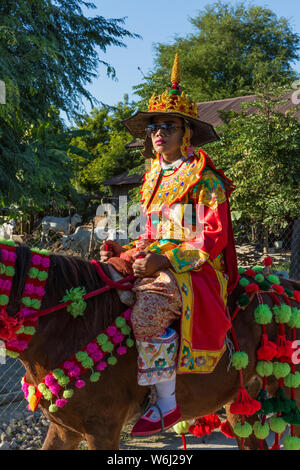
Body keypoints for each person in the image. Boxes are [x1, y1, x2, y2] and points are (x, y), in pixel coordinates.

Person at [100, 54, 239, 436]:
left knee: (146, 313)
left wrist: (163, 261)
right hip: (157, 260)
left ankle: (167, 402)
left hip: (195, 269)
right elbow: (148, 235)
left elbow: (210, 239)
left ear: (186, 133)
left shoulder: (204, 178)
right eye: (154, 127)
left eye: (168, 126)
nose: (159, 133)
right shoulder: (152, 179)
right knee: (102, 284)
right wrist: (125, 254)